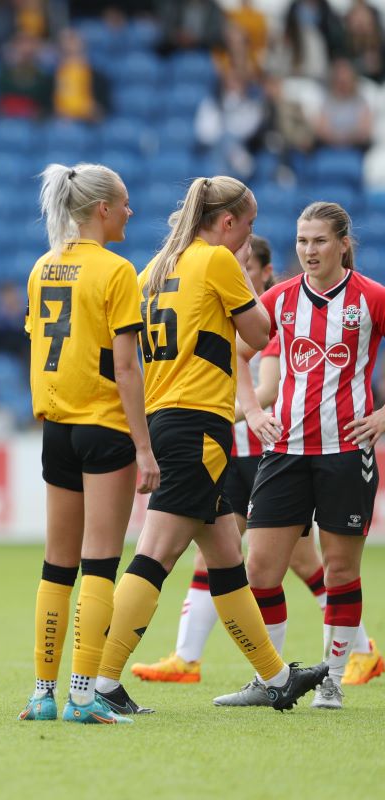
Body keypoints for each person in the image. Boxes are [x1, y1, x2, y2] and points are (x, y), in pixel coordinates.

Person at [93, 176, 328, 716]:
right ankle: (99, 682)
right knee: (155, 555)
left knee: (225, 560)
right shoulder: (217, 261)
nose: (248, 240)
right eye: (247, 228)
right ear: (226, 223)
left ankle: (273, 678)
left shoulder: (154, 268)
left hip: (168, 416)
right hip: (200, 424)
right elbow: (263, 333)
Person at [132, 235, 380, 685]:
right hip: (254, 453)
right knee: (238, 560)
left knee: (299, 563)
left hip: (270, 451)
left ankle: (350, 652)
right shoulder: (264, 306)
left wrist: (229, 411)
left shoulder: (270, 314)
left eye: (245, 270)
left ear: (263, 272)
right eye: (302, 240)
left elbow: (265, 386)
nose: (236, 280)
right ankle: (200, 659)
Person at [218, 202, 385, 710]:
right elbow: (240, 352)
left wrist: (383, 416)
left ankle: (332, 680)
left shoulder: (371, 297)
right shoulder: (280, 299)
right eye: (302, 241)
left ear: (342, 243)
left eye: (319, 241)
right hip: (284, 451)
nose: (309, 251)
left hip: (345, 451)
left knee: (339, 571)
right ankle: (272, 677)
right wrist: (250, 407)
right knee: (260, 571)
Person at [17, 163, 158, 725]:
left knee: (57, 566)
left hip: (57, 429)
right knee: (101, 563)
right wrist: (144, 449)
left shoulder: (42, 267)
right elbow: (126, 367)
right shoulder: (116, 271)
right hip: (104, 426)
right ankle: (83, 696)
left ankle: (42, 695)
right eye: (124, 203)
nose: (129, 211)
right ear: (102, 209)